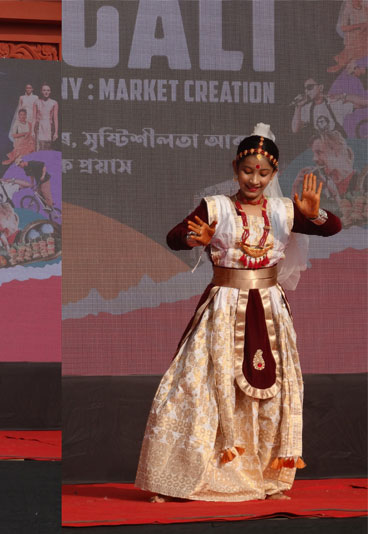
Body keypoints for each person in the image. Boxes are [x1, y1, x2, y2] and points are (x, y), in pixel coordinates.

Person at [135, 124, 342, 502]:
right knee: (196, 386)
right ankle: (175, 478)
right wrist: (193, 238)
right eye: (248, 171)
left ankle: (266, 478)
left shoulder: (283, 210)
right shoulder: (216, 206)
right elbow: (174, 236)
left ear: (273, 175)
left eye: (263, 173)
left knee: (272, 394)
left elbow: (334, 228)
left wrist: (314, 216)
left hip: (269, 309)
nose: (255, 179)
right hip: (223, 308)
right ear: (236, 169)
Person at [292, 130, 368, 225]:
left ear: (337, 152)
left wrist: (335, 195)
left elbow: (354, 224)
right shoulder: (319, 187)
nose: (314, 159)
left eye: (319, 152)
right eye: (314, 154)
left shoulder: (363, 183)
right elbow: (299, 221)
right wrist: (296, 187)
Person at [291, 78, 355, 136]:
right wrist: (298, 107)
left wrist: (342, 96)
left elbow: (363, 103)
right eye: (305, 88)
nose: (306, 91)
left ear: (321, 87)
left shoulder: (333, 103)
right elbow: (295, 129)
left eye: (309, 87)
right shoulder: (307, 108)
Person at [34, 83, 58, 150]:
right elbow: (34, 118)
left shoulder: (54, 103)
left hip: (49, 126)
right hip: (39, 126)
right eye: (44, 90)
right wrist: (32, 131)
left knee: (48, 148)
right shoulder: (36, 102)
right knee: (38, 147)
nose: (46, 92)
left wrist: (56, 132)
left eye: (48, 90)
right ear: (41, 91)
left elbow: (55, 119)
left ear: (50, 91)